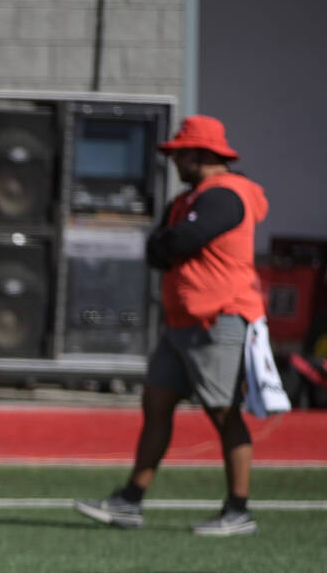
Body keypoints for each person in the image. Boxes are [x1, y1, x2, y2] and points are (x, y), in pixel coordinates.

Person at [74, 114, 268, 536]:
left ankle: (238, 510)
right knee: (156, 404)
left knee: (223, 412)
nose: (175, 162)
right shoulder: (190, 198)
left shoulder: (224, 195)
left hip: (218, 318)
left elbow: (179, 242)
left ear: (201, 154)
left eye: (181, 154)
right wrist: (167, 244)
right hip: (181, 322)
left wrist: (168, 244)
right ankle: (130, 501)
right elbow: (157, 248)